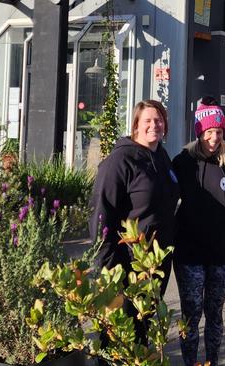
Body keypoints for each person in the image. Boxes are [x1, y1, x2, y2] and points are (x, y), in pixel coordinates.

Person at [88, 99, 179, 339]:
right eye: (147, 120)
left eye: (159, 120)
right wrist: (106, 265)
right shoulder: (120, 161)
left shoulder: (161, 156)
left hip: (155, 263)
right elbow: (101, 212)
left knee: (144, 327)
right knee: (120, 333)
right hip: (126, 264)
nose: (154, 125)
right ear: (136, 125)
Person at [171, 97, 225, 366]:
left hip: (222, 253)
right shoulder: (183, 161)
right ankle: (189, 362)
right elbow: (163, 195)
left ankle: (212, 361)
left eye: (219, 132)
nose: (214, 137)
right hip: (189, 253)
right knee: (191, 314)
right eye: (209, 132)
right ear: (199, 132)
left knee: (215, 313)